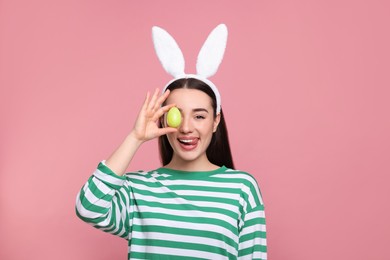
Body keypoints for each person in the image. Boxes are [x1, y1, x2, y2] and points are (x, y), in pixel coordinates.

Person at [76, 24, 267, 260]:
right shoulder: (139, 189)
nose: (186, 127)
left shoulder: (242, 189)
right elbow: (89, 207)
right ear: (163, 119)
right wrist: (135, 138)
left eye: (199, 116)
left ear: (215, 121)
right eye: (177, 115)